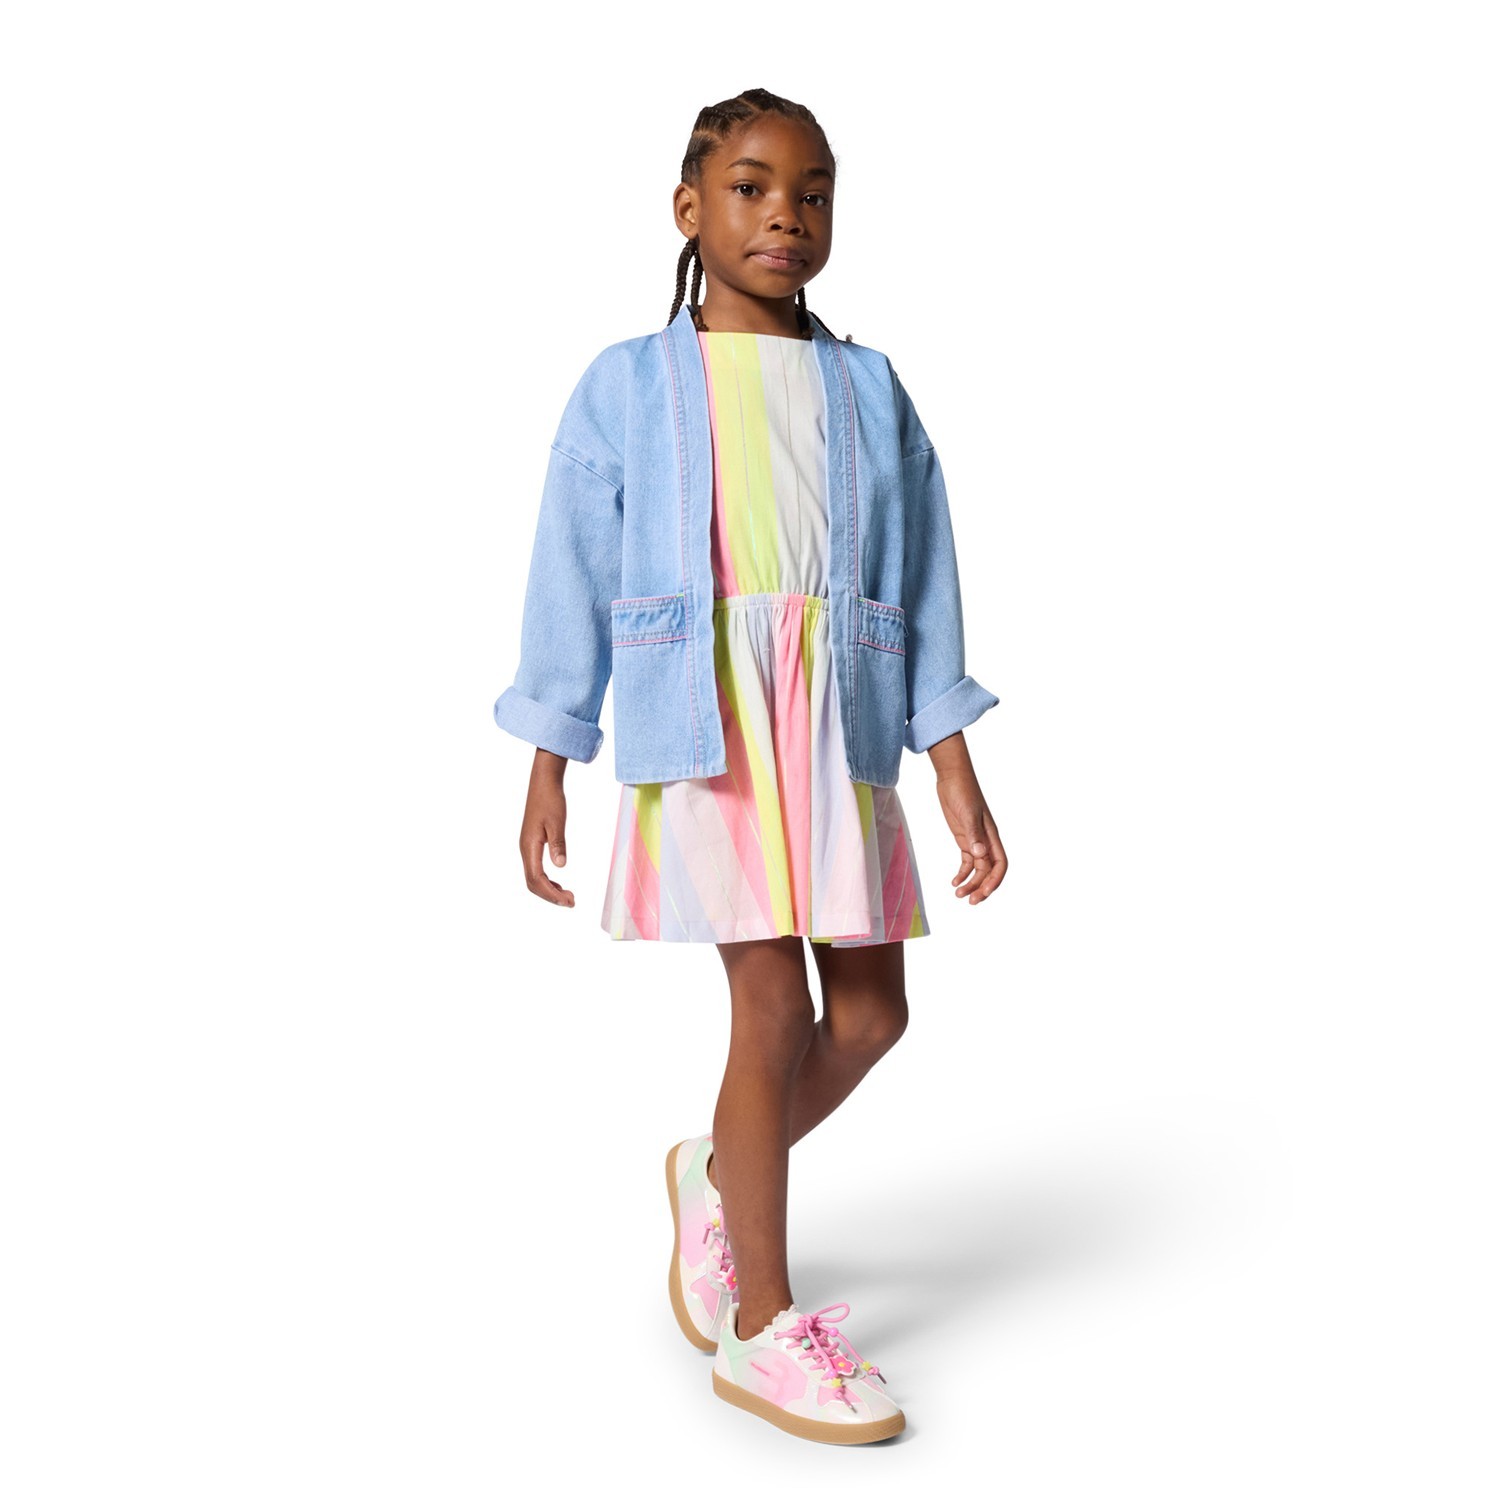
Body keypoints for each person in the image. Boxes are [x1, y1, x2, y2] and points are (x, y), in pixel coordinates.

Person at [493, 89, 1007, 1445]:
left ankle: (719, 1173)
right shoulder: (626, 384)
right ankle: (762, 1329)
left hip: (839, 722)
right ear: (689, 207)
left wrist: (951, 759)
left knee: (873, 1015)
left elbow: (925, 573)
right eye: (752, 187)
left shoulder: (870, 386)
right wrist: (552, 751)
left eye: (813, 193)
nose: (787, 214)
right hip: (711, 719)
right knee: (771, 1006)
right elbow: (570, 568)